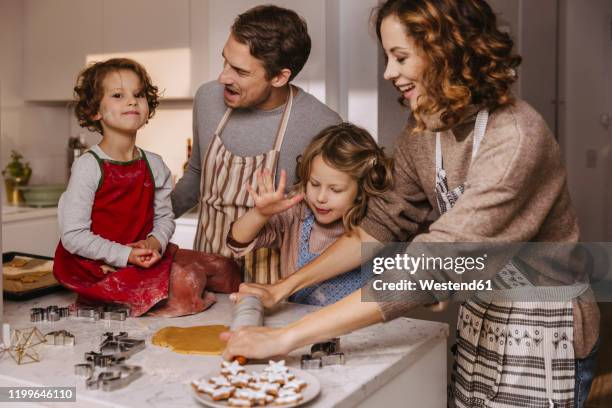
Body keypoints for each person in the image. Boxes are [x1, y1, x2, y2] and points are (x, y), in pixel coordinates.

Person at [221, 1, 601, 407]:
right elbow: (377, 225)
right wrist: (284, 288)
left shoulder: (516, 138)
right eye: (387, 57)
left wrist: (287, 337)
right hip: (481, 317)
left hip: (543, 329)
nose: (388, 72)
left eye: (400, 57)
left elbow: (434, 261)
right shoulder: (425, 129)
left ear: (449, 51)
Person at [53, 58, 240, 317]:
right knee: (186, 281)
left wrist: (154, 243)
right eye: (118, 95)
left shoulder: (154, 164)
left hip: (143, 256)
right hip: (100, 263)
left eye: (138, 94)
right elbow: (73, 236)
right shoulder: (89, 166)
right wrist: (125, 254)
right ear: (95, 111)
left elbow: (164, 217)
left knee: (225, 267)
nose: (131, 101)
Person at [171, 5, 342, 284]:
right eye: (224, 61)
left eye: (240, 71)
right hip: (204, 274)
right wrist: (146, 228)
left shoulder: (321, 124)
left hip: (271, 284)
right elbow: (195, 176)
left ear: (279, 77)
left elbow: (329, 216)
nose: (223, 77)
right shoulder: (207, 100)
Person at [227, 123, 392, 306]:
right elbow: (237, 242)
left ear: (361, 190)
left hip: (362, 331)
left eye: (335, 190)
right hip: (301, 327)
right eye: (314, 184)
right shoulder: (297, 214)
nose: (321, 198)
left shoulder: (376, 223)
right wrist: (260, 214)